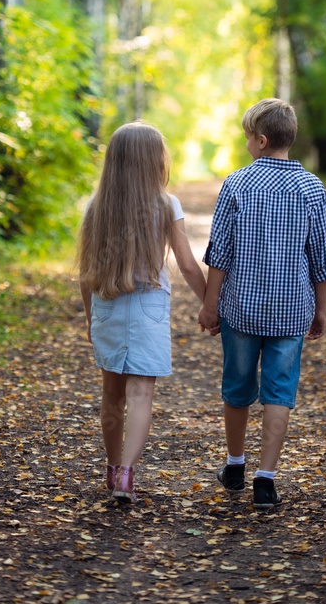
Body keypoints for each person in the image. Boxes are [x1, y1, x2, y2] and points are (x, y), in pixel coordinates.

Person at [198, 98, 326, 509]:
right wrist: (321, 310)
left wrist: (210, 304)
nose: (246, 145)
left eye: (246, 138)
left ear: (260, 140)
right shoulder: (313, 188)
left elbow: (219, 253)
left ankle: (235, 465)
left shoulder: (237, 184)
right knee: (279, 392)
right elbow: (322, 258)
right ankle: (265, 481)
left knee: (238, 387)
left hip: (241, 308)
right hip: (292, 309)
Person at [79, 121, 207, 504]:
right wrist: (209, 303)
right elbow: (186, 265)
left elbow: (86, 274)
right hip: (149, 304)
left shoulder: (95, 206)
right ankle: (127, 475)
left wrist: (90, 318)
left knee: (111, 394)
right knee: (141, 394)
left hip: (107, 303)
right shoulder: (166, 204)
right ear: (155, 160)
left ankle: (111, 466)